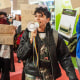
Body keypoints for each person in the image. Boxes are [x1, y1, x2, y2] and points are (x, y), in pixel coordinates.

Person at [17, 7, 78, 80]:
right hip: (31, 74)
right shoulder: (27, 34)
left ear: (48, 19)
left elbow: (64, 57)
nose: (37, 18)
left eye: (41, 16)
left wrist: (72, 76)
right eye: (36, 16)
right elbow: (20, 55)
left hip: (49, 74)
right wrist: (30, 41)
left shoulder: (55, 35)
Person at [0, 12, 15, 80]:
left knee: (5, 72)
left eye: (4, 17)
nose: (3, 19)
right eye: (1, 18)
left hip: (7, 54)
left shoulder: (10, 27)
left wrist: (13, 34)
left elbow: (13, 41)